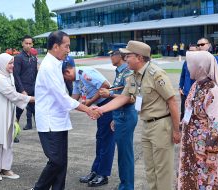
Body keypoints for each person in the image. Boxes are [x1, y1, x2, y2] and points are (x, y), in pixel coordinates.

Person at [93, 40, 181, 190]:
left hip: (161, 125)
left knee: (162, 172)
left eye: (128, 56)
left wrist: (176, 130)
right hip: (146, 125)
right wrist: (101, 110)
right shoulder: (134, 76)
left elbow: (172, 102)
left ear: (139, 57)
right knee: (150, 171)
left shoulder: (156, 74)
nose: (125, 58)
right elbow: (123, 97)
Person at [32, 31, 100, 190]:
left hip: (59, 120)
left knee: (62, 162)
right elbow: (62, 97)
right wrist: (88, 110)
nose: (68, 50)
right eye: (66, 46)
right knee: (55, 161)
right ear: (55, 46)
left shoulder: (56, 63)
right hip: (50, 121)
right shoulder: (48, 67)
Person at [0, 53, 35, 181]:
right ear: (1, 64)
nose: (12, 66)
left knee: (8, 141)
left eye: (13, 63)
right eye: (10, 63)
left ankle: (6, 168)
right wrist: (31, 99)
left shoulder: (9, 76)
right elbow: (13, 95)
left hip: (7, 114)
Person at [62, 62, 115, 187]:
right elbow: (74, 99)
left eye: (65, 78)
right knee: (100, 139)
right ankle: (95, 171)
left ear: (67, 72)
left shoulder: (85, 73)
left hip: (108, 105)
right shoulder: (76, 80)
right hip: (100, 106)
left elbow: (105, 86)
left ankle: (103, 174)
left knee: (106, 141)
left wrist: (90, 102)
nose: (66, 81)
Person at [178, 51, 218, 189]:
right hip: (191, 144)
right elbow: (190, 109)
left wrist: (212, 153)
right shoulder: (196, 85)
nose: (188, 68)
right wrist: (184, 123)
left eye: (190, 64)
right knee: (192, 178)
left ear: (200, 67)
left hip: (205, 149)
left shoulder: (212, 90)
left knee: (206, 181)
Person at [99, 50, 138, 190]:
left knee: (125, 156)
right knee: (122, 155)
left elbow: (130, 99)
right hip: (120, 115)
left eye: (112, 55)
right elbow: (120, 94)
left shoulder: (127, 72)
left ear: (119, 56)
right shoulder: (119, 72)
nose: (110, 57)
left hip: (125, 115)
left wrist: (109, 94)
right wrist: (115, 117)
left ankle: (127, 187)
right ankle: (125, 185)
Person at [13, 35, 38, 131]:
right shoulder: (18, 58)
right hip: (22, 90)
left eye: (30, 43)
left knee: (36, 111)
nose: (28, 45)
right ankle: (14, 133)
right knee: (18, 113)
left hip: (33, 89)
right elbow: (16, 75)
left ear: (32, 44)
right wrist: (22, 90)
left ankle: (42, 133)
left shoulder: (34, 58)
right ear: (22, 44)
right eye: (26, 43)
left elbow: (35, 74)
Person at [178, 45, 197, 120]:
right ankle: (183, 127)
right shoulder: (186, 62)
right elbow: (182, 76)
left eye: (193, 51)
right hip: (185, 92)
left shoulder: (200, 63)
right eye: (190, 51)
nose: (191, 53)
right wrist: (180, 87)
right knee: (184, 111)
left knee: (194, 112)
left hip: (196, 93)